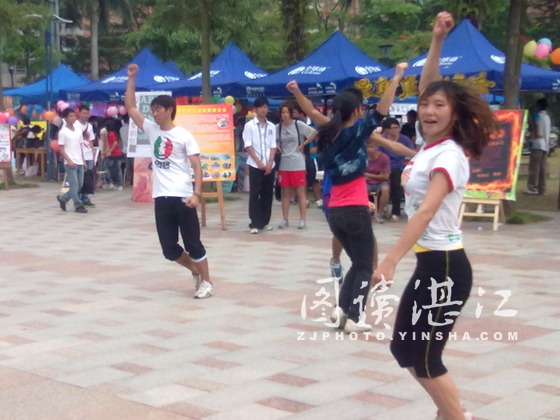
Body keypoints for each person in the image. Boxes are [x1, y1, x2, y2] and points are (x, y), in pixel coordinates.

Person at [373, 12, 500, 420]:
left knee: (427, 358)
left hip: (445, 267)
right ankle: (450, 413)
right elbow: (430, 83)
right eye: (425, 104)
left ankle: (455, 416)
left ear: (454, 114)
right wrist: (437, 40)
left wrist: (390, 260)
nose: (429, 109)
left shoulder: (449, 155)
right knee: (403, 349)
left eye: (439, 106)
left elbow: (427, 211)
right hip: (431, 266)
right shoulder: (429, 147)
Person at [287, 62, 413, 334]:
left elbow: (311, 111)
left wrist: (296, 91)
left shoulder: (329, 132)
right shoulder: (358, 131)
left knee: (357, 263)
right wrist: (396, 77)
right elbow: (383, 109)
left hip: (334, 211)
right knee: (365, 266)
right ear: (356, 110)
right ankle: (355, 317)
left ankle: (341, 311)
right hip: (355, 208)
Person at [125, 63, 213, 299]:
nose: (154, 113)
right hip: (162, 198)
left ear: (169, 110)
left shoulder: (184, 135)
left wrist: (197, 194)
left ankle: (207, 282)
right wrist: (132, 78)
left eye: (158, 109)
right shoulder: (152, 130)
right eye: (152, 110)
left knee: (193, 243)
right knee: (168, 248)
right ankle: (195, 270)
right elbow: (130, 107)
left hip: (183, 196)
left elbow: (197, 166)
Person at [276, 101, 315, 229]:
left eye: (287, 112)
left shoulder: (298, 125)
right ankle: (285, 219)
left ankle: (302, 219)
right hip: (284, 163)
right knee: (285, 193)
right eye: (283, 112)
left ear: (291, 113)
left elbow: (315, 133)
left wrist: (304, 144)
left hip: (298, 162)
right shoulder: (277, 128)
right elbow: (270, 140)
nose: (285, 115)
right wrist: (277, 146)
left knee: (300, 192)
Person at [242, 97, 277, 234]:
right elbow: (248, 145)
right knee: (255, 193)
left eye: (265, 107)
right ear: (255, 109)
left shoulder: (272, 126)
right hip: (255, 164)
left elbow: (273, 145)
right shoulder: (249, 126)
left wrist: (270, 162)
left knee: (267, 193)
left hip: (269, 164)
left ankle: (264, 221)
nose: (264, 110)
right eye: (261, 107)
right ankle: (254, 223)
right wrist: (258, 161)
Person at [379, 117, 415, 221]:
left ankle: (396, 212)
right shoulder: (383, 140)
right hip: (384, 167)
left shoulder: (404, 139)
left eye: (397, 127)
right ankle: (379, 209)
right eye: (393, 128)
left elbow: (411, 152)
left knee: (396, 184)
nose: (396, 130)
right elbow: (379, 154)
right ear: (387, 130)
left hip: (398, 167)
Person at [56, 108, 88, 214]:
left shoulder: (78, 130)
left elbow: (80, 146)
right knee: (74, 184)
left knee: (79, 184)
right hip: (70, 161)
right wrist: (68, 160)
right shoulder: (63, 132)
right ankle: (78, 205)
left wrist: (83, 161)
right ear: (65, 118)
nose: (73, 118)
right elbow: (61, 148)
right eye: (71, 116)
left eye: (74, 116)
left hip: (79, 160)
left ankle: (63, 198)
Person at [524, 98, 551, 195]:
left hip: (537, 145)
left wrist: (533, 135)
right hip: (546, 146)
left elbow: (536, 127)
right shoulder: (547, 117)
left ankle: (532, 187)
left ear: (538, 106)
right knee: (542, 169)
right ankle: (541, 188)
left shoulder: (537, 116)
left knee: (534, 167)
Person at [365, 140, 390, 223]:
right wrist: (378, 175)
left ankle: (380, 212)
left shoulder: (384, 158)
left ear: (376, 147)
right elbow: (360, 174)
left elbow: (386, 176)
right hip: (367, 182)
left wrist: (368, 175)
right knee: (361, 189)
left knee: (385, 190)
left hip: (381, 182)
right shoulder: (363, 157)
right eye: (367, 147)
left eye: (371, 147)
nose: (369, 149)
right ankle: (365, 211)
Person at [75, 105, 96, 207]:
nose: (86, 115)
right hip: (79, 155)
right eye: (83, 113)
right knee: (80, 178)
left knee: (88, 178)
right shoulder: (75, 125)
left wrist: (92, 154)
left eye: (87, 113)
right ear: (79, 113)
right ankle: (77, 198)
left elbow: (91, 141)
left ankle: (85, 197)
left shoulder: (90, 126)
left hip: (89, 155)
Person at [104, 118, 124, 191]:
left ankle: (110, 182)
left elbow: (115, 143)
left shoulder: (110, 134)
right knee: (116, 169)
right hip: (117, 153)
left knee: (106, 167)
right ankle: (118, 184)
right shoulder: (115, 133)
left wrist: (110, 151)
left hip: (113, 153)